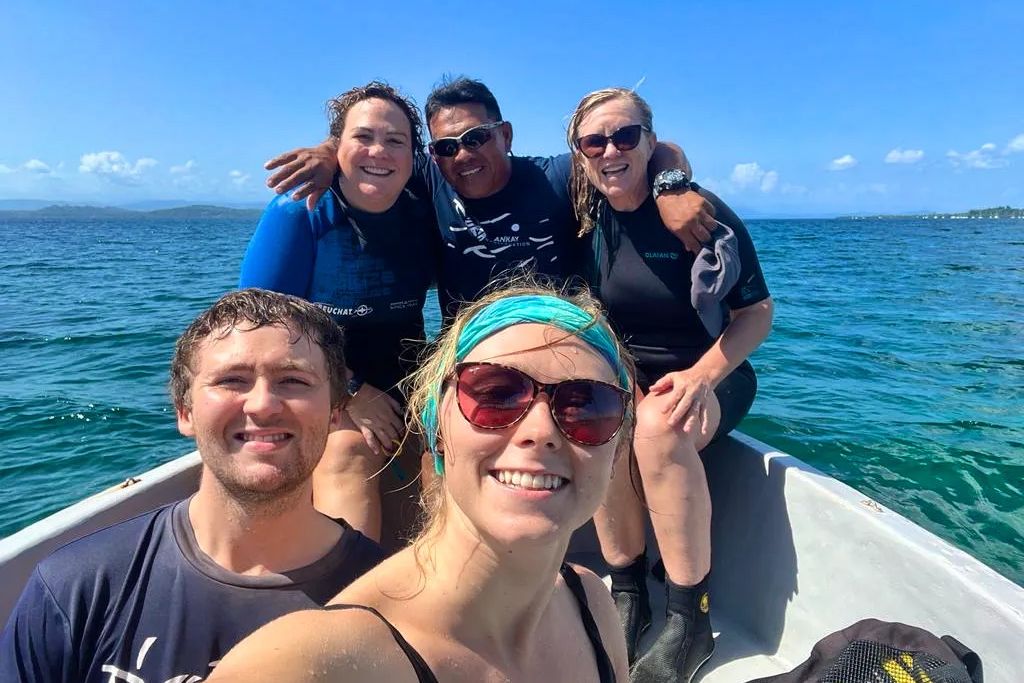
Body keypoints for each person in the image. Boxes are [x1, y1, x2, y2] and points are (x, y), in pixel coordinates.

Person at [207, 284, 638, 682]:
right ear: (437, 431)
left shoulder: (591, 605)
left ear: (617, 451)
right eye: (494, 394)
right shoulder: (313, 663)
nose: (540, 430)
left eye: (587, 405)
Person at [0, 289, 387, 683]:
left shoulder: (389, 607)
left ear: (336, 412)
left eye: (293, 380)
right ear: (184, 412)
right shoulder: (78, 587)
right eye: (232, 380)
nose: (262, 405)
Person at [566, 88, 774, 682]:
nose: (611, 150)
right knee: (594, 420)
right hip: (629, 376)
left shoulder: (698, 213)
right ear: (580, 154)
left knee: (658, 428)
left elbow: (756, 313)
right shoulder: (588, 219)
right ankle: (628, 590)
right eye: (594, 141)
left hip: (713, 372)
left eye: (626, 136)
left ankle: (690, 620)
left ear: (650, 143)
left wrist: (701, 376)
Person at [263, 76, 717, 321]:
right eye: (446, 146)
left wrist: (671, 185)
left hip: (559, 335)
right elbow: (375, 154)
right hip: (466, 347)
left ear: (505, 135)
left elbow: (643, 149)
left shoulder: (555, 175)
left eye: (477, 138)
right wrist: (328, 152)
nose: (462, 155)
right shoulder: (427, 173)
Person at [240, 81, 438, 543]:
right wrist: (348, 390)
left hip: (408, 378)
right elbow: (259, 325)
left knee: (459, 436)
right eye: (362, 138)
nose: (379, 152)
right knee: (348, 449)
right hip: (319, 381)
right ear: (336, 147)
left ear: (414, 157)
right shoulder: (300, 212)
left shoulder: (426, 209)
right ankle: (349, 600)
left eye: (395, 141)